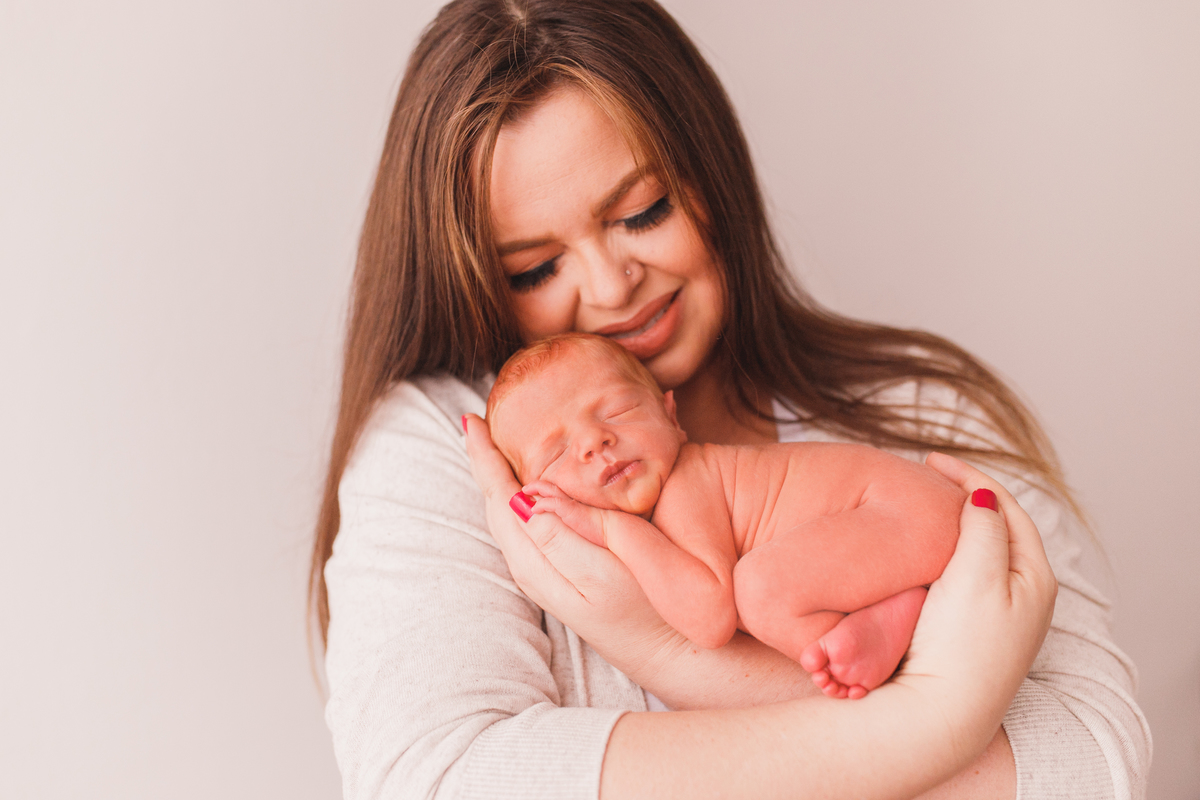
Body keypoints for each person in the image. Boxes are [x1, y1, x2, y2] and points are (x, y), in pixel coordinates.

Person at [310, 1, 1150, 798]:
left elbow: (1090, 766)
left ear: (712, 172)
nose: (610, 285)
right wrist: (936, 718)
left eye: (643, 212)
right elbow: (438, 780)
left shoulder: (920, 415)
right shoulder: (450, 448)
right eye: (535, 269)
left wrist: (665, 649)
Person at [486, 332, 965, 699]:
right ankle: (890, 620)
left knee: (759, 590)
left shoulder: (687, 484)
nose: (595, 441)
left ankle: (894, 640)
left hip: (905, 510)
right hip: (907, 519)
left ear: (671, 416)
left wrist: (611, 528)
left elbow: (709, 620)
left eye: (617, 411)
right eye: (557, 454)